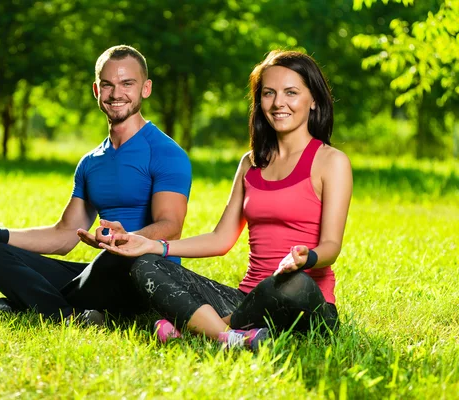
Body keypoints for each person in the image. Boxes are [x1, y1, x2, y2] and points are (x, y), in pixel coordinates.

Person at [89, 50, 352, 350]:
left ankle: (205, 326)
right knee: (145, 265)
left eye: (291, 92)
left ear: (314, 99)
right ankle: (230, 335)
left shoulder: (331, 162)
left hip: (303, 300)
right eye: (269, 93)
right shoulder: (251, 164)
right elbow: (221, 239)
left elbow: (332, 245)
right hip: (245, 298)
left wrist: (309, 258)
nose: (279, 103)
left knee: (293, 284)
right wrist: (154, 246)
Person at [0, 45, 192, 323]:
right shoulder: (91, 162)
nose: (116, 94)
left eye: (127, 84)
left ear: (146, 88)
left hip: (147, 274)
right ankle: (71, 315)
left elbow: (171, 227)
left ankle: (32, 304)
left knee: (112, 259)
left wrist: (126, 242)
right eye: (107, 85)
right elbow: (64, 235)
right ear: (97, 91)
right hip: (101, 271)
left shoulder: (166, 152)